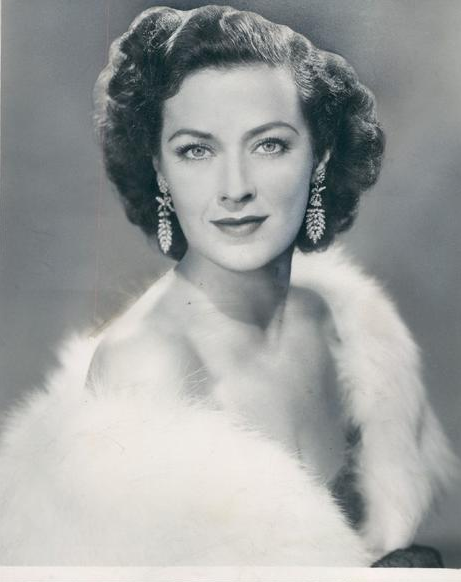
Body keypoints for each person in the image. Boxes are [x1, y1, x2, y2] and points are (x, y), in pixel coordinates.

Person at [0, 4, 456, 567]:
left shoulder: (341, 324)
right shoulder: (146, 371)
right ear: (160, 169)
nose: (234, 187)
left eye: (269, 145)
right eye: (196, 150)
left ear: (321, 155)